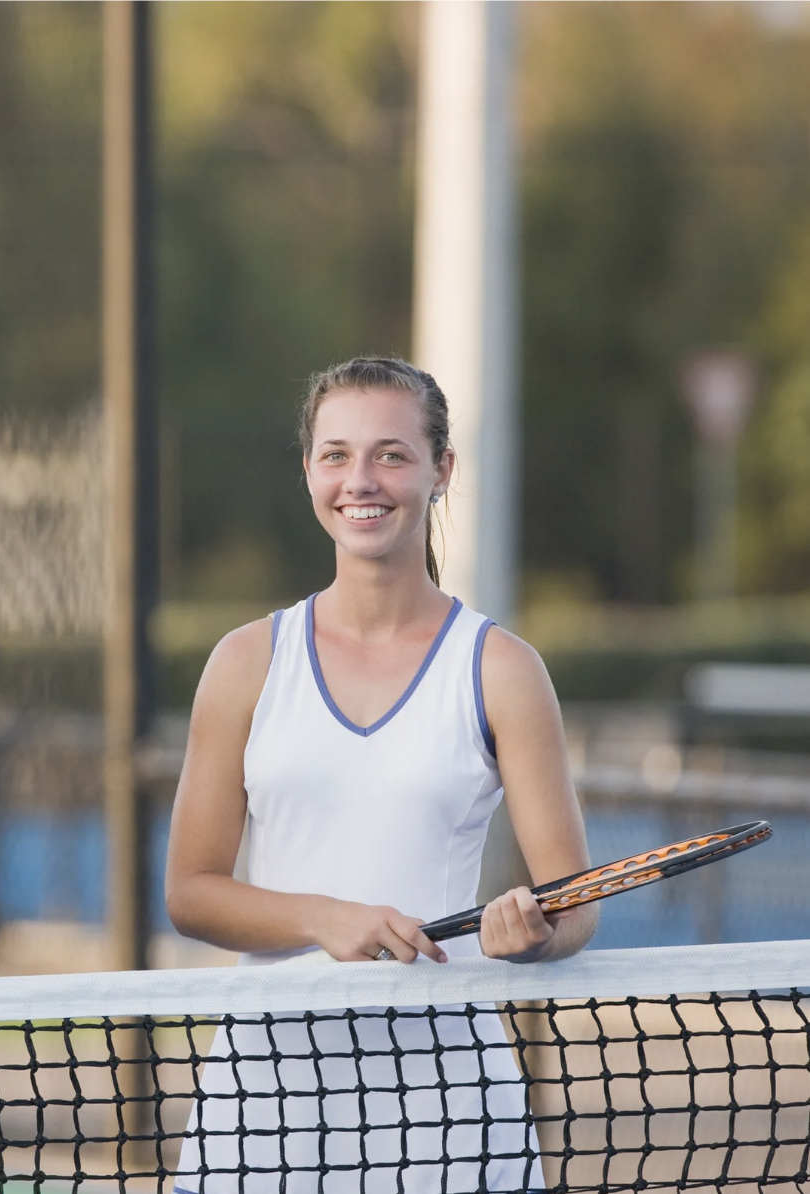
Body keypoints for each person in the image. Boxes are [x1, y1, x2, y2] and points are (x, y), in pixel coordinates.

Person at [164, 357, 598, 1193]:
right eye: (336, 455)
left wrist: (540, 934)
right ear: (308, 471)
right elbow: (190, 891)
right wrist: (329, 919)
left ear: (442, 471)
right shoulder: (245, 662)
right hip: (267, 1113)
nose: (361, 481)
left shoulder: (503, 669)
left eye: (392, 455)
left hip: (449, 1114)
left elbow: (576, 902)